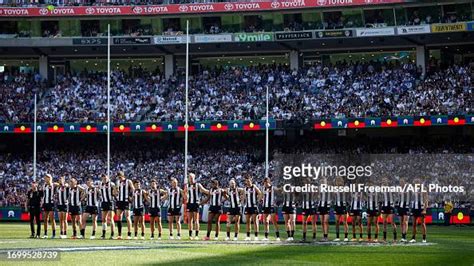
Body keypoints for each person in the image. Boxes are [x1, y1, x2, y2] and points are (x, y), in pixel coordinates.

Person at [185, 173, 207, 240]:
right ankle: (190, 235)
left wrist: (210, 192)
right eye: (189, 177)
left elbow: (204, 190)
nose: (190, 179)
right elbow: (185, 193)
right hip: (189, 204)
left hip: (196, 204)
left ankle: (196, 235)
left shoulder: (198, 185)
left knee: (196, 220)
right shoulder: (187, 186)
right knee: (190, 220)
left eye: (192, 177)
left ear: (194, 178)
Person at [115, 171, 135, 240]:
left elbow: (133, 189)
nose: (119, 178)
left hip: (126, 201)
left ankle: (129, 234)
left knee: (127, 217)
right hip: (119, 201)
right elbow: (117, 191)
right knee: (119, 217)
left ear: (123, 176)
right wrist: (116, 193)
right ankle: (119, 234)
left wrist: (131, 197)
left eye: (120, 176)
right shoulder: (118, 182)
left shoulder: (128, 181)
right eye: (118, 177)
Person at [244, 175, 262, 241]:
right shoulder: (245, 188)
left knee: (255, 221)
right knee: (247, 222)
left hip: (254, 206)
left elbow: (260, 193)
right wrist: (243, 201)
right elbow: (244, 196)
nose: (248, 182)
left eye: (248, 181)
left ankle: (256, 236)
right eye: (246, 181)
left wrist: (258, 200)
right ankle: (248, 236)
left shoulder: (254, 187)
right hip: (247, 206)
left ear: (251, 181)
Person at [99, 174, 116, 239]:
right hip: (104, 202)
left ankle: (112, 234)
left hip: (110, 202)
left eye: (105, 178)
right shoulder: (101, 184)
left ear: (108, 178)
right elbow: (100, 192)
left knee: (111, 218)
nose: (104, 179)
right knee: (103, 219)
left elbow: (115, 192)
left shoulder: (111, 184)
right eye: (103, 178)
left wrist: (114, 192)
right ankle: (103, 234)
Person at [42, 174, 57, 239]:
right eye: (45, 178)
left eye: (47, 177)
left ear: (50, 178)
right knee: (45, 219)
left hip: (51, 203)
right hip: (45, 203)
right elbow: (44, 195)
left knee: (52, 219)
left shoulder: (53, 185)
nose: (45, 179)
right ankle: (45, 233)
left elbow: (60, 184)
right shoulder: (44, 185)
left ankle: (54, 233)